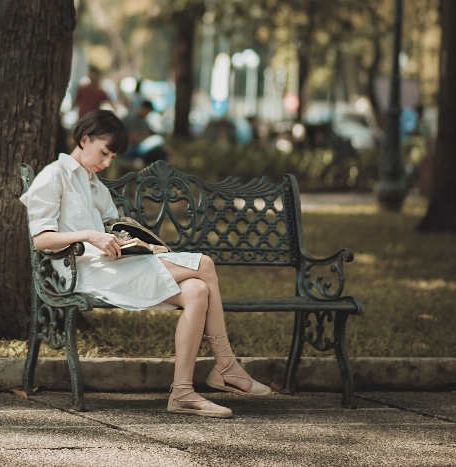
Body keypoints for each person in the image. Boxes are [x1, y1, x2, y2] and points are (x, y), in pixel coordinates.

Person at [20, 110, 271, 418]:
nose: (107, 162)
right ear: (84, 140)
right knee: (204, 265)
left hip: (111, 267)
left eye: (112, 156)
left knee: (195, 291)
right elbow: (41, 240)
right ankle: (226, 366)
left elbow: (115, 227)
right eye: (104, 153)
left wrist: (139, 244)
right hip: (81, 274)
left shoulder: (93, 184)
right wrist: (91, 236)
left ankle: (182, 393)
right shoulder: (53, 175)